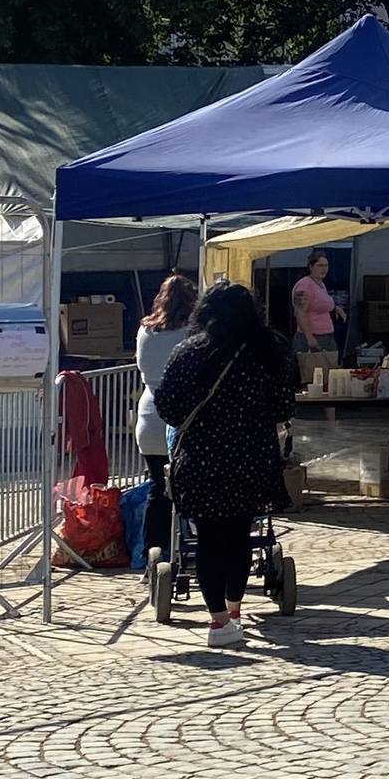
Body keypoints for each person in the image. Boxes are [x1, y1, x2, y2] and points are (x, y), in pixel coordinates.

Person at [151, 281, 296, 649]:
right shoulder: (270, 350)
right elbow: (283, 408)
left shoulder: (189, 352)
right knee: (239, 534)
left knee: (210, 539)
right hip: (251, 459)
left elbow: (166, 407)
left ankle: (217, 621)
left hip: (202, 460)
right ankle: (234, 610)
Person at [133, 272, 196, 572]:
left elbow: (141, 365)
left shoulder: (145, 330)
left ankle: (151, 554)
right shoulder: (192, 333)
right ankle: (188, 548)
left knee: (158, 488)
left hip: (149, 414)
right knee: (190, 488)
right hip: (182, 418)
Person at [290, 250, 347, 364]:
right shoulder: (305, 285)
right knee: (310, 374)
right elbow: (300, 312)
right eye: (320, 265)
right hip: (312, 338)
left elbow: (321, 303)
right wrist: (309, 337)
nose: (324, 269)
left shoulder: (320, 284)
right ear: (311, 267)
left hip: (327, 336)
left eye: (326, 265)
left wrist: (335, 307)